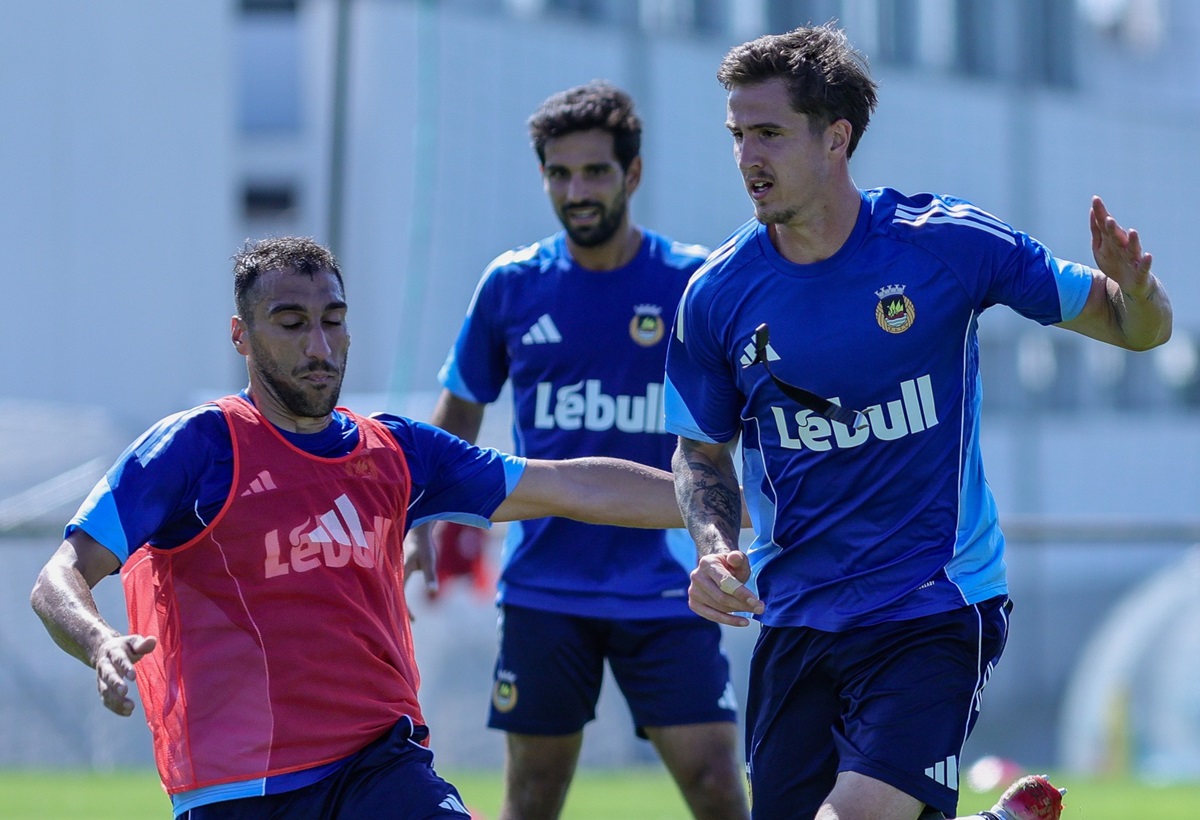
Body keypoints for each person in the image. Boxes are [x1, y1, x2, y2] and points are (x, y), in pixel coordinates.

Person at [664, 24, 1171, 820]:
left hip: (933, 602)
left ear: (836, 138)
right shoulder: (717, 296)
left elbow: (1136, 330)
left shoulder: (944, 245)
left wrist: (1137, 290)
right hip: (797, 613)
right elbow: (700, 451)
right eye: (737, 135)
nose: (747, 158)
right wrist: (715, 546)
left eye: (768, 133)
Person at [30, 236, 693, 820]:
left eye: (333, 321)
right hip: (238, 787)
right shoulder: (194, 449)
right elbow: (58, 577)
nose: (318, 346)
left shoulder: (397, 452)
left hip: (380, 763)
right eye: (291, 324)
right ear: (241, 335)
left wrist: (726, 509)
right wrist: (98, 641)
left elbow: (569, 483)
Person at [412, 80, 748, 820]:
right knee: (530, 796)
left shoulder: (692, 282)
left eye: (595, 171)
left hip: (666, 586)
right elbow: (459, 408)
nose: (577, 190)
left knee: (719, 786)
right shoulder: (511, 286)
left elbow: (740, 411)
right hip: (544, 586)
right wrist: (423, 518)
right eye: (560, 174)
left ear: (632, 174)